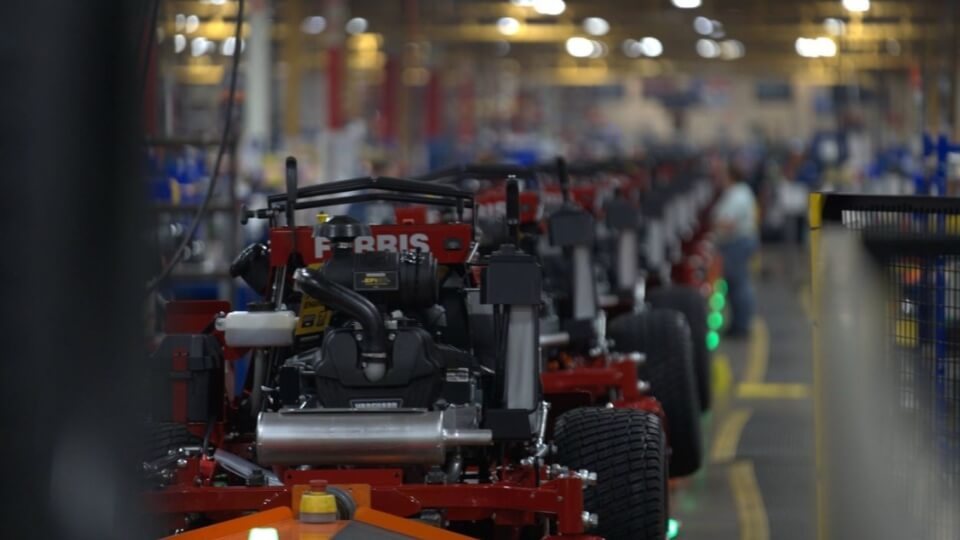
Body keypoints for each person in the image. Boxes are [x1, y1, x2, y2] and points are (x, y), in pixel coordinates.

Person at [712, 161, 759, 337]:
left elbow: (728, 222)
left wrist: (712, 227)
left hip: (737, 244)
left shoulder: (738, 194)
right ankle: (739, 323)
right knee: (735, 285)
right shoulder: (738, 192)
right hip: (736, 243)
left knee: (739, 285)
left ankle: (742, 325)